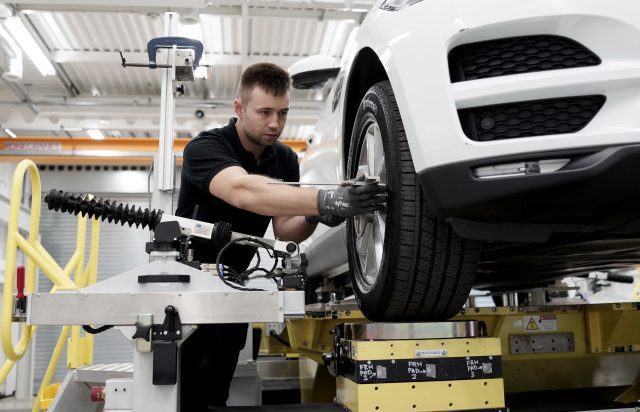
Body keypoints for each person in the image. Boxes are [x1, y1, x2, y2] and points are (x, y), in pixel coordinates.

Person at [175, 62, 385, 410]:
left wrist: (317, 214)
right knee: (188, 389)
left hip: (233, 283)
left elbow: (286, 228)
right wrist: (326, 197)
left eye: (283, 113)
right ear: (239, 109)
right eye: (265, 112)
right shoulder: (205, 148)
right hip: (190, 288)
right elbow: (244, 190)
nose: (275, 123)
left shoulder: (285, 158)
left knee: (218, 389)